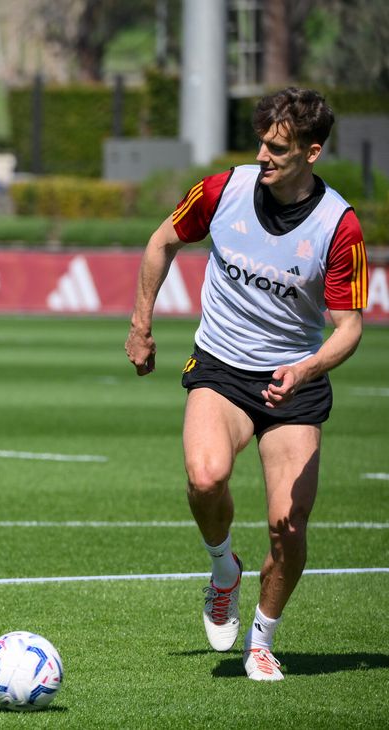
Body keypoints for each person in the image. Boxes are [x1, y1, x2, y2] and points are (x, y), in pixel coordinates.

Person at [124, 88, 367, 681]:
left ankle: (261, 639)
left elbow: (350, 327)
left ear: (312, 152)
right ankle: (223, 570)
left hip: (294, 384)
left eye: (278, 147)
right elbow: (162, 241)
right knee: (205, 478)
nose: (263, 155)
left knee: (289, 523)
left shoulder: (341, 226)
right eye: (261, 141)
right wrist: (141, 324)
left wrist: (307, 368)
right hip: (222, 368)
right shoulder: (221, 190)